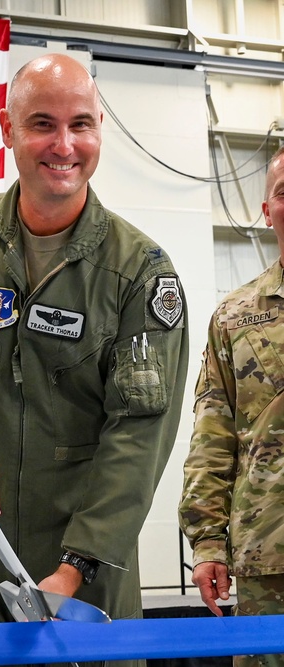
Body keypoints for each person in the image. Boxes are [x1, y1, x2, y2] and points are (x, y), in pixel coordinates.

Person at [0, 53, 189, 650]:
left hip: (90, 576)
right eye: (43, 123)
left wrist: (73, 572)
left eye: (81, 124)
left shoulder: (140, 274)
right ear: (7, 130)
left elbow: (137, 441)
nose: (65, 144)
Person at [179, 146, 284, 667]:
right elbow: (212, 437)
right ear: (267, 210)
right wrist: (207, 543)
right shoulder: (234, 317)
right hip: (266, 556)